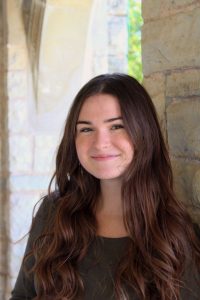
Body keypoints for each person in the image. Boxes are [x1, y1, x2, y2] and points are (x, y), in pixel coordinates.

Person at [10, 73, 200, 300]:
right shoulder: (54, 212)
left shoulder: (174, 234)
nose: (100, 143)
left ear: (144, 131)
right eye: (86, 129)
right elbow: (22, 296)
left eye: (117, 126)